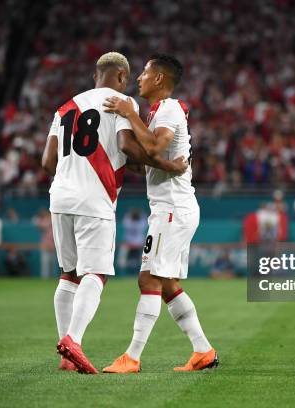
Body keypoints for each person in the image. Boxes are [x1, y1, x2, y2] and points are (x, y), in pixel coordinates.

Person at [41, 52, 188, 374]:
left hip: (59, 198)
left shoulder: (65, 107)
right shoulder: (122, 102)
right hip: (95, 200)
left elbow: (47, 162)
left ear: (97, 74)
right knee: (96, 273)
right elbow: (127, 146)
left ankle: (66, 356)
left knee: (68, 274)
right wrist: (168, 166)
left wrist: (72, 174)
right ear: (121, 76)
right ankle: (73, 341)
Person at [102, 54, 218, 373]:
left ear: (159, 80)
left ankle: (133, 357)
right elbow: (147, 160)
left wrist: (129, 113)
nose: (139, 77)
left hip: (172, 209)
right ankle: (203, 351)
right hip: (171, 207)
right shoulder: (156, 113)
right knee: (166, 285)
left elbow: (153, 147)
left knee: (148, 278)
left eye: (145, 72)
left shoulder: (168, 108)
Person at [33, 208, 56, 279]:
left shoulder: (54, 220)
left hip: (53, 244)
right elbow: (37, 223)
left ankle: (51, 278)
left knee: (52, 263)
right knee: (45, 263)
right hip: (45, 244)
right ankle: (45, 278)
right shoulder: (42, 221)